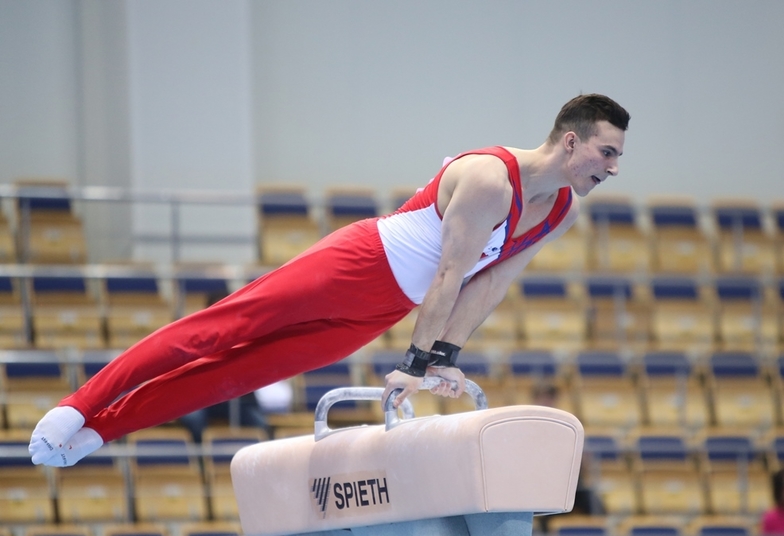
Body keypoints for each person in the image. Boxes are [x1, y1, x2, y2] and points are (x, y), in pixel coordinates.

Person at [28, 93, 629, 468]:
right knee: (216, 333)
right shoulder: (490, 179)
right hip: (356, 263)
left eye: (618, 157)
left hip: (382, 309)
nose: (613, 167)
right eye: (606, 152)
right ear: (570, 141)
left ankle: (103, 430)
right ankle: (80, 405)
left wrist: (446, 356)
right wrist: (415, 364)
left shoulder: (561, 211)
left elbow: (488, 285)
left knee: (240, 374)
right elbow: (449, 271)